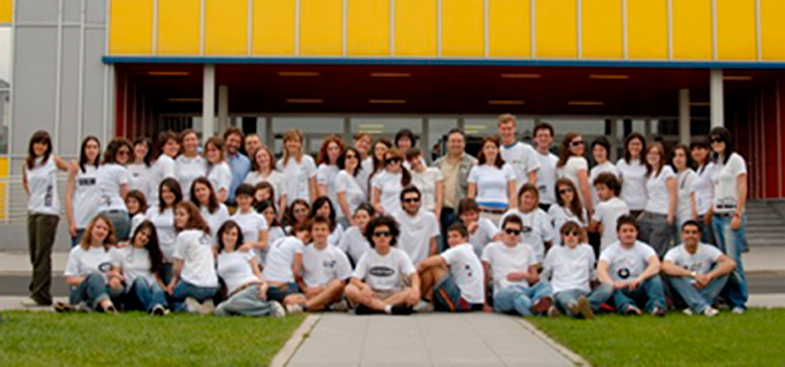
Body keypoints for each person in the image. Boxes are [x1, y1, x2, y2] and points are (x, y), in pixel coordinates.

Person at [24, 130, 71, 306]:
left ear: (48, 146)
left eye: (43, 144)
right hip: (33, 211)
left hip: (48, 212)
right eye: (37, 143)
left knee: (42, 254)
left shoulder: (52, 160)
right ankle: (36, 288)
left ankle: (41, 294)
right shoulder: (28, 164)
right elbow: (26, 184)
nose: (40, 147)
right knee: (34, 254)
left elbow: (71, 169)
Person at [708, 127, 749, 313]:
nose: (716, 143)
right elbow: (716, 191)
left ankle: (739, 301)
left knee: (734, 261)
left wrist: (738, 213)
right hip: (717, 214)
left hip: (731, 214)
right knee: (723, 261)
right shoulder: (716, 163)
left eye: (720, 140)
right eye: (713, 141)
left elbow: (742, 186)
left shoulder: (735, 160)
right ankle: (728, 297)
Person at [345, 215, 421, 315]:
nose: (382, 237)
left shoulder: (400, 255)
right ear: (371, 237)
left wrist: (416, 290)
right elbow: (354, 279)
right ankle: (389, 308)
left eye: (386, 234)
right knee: (349, 289)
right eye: (378, 234)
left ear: (392, 236)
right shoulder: (367, 255)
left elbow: (413, 275)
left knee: (410, 292)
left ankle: (373, 307)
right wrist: (364, 287)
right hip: (372, 293)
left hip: (394, 294)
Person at [482, 215, 553, 317]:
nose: (512, 235)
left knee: (545, 285)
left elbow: (535, 278)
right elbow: (484, 276)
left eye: (516, 232)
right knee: (515, 294)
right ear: (502, 231)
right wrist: (485, 303)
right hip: (503, 291)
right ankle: (539, 311)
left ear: (520, 234)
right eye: (509, 231)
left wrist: (524, 276)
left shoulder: (527, 249)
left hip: (524, 289)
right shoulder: (491, 248)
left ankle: (535, 306)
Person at [662, 221, 736, 317]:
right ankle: (703, 307)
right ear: (682, 235)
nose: (690, 235)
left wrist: (709, 276)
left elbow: (731, 263)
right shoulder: (675, 252)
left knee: (725, 271)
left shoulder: (708, 249)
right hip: (684, 291)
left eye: (694, 232)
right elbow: (665, 266)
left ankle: (695, 306)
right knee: (672, 275)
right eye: (687, 232)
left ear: (700, 235)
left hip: (705, 287)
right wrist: (694, 275)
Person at [214, 220, 286, 317]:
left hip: (250, 288)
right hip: (233, 294)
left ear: (237, 237)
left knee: (233, 303)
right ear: (221, 235)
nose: (230, 237)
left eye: (233, 234)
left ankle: (270, 308)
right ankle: (258, 309)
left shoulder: (244, 251)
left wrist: (264, 285)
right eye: (227, 233)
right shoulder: (219, 255)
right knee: (219, 310)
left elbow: (257, 272)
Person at [597, 216, 666, 316]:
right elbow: (601, 269)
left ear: (636, 233)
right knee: (613, 289)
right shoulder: (610, 250)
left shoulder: (644, 248)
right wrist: (611, 284)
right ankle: (628, 307)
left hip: (638, 286)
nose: (628, 234)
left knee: (655, 278)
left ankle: (657, 307)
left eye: (631, 231)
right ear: (618, 234)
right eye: (624, 231)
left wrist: (639, 279)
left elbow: (656, 264)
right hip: (620, 288)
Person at [542, 221, 612, 319]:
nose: (571, 236)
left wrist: (599, 281)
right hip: (562, 290)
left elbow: (592, 273)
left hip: (583, 291)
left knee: (608, 287)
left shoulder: (587, 250)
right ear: (562, 236)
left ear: (579, 236)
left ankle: (582, 308)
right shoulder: (555, 251)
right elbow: (545, 274)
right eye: (567, 234)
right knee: (568, 301)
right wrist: (547, 293)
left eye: (574, 234)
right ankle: (581, 310)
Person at [56, 215, 121, 313]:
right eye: (98, 227)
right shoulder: (77, 251)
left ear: (108, 233)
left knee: (119, 290)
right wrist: (92, 281)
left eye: (105, 229)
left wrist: (115, 279)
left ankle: (83, 307)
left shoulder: (112, 251)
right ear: (91, 229)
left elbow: (116, 271)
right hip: (81, 292)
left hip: (105, 288)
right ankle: (106, 304)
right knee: (95, 277)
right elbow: (70, 279)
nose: (101, 231)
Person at [416, 223, 485, 312]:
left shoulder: (458, 250)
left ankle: (417, 300)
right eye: (449, 237)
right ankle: (425, 300)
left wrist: (413, 273)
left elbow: (425, 264)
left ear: (465, 238)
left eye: (455, 236)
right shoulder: (467, 250)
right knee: (439, 267)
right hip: (473, 302)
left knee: (434, 267)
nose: (451, 240)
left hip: (464, 302)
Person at [167, 202, 219, 314]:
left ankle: (189, 306)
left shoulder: (183, 236)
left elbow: (177, 268)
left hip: (192, 284)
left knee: (171, 298)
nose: (177, 218)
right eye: (176, 214)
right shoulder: (206, 236)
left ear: (191, 217)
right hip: (212, 286)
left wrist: (172, 283)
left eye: (181, 215)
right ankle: (205, 303)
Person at [295, 216, 353, 313]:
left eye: (323, 229)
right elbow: (298, 277)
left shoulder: (337, 253)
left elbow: (344, 281)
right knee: (290, 299)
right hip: (310, 291)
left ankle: (306, 306)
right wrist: (305, 289)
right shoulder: (303, 252)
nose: (320, 233)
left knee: (337, 284)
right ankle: (321, 305)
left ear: (328, 232)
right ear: (311, 232)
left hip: (330, 291)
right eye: (316, 230)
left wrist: (322, 289)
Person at [112, 221, 168, 315]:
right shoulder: (121, 252)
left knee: (156, 287)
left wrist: (166, 289)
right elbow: (116, 271)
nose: (144, 238)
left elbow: (156, 277)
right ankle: (154, 307)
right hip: (133, 291)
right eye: (142, 233)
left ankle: (157, 308)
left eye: (148, 237)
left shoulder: (151, 254)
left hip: (150, 287)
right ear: (136, 232)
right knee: (140, 280)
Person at [433, 128, 477, 237]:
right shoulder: (437, 164)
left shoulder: (473, 164)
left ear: (464, 144)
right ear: (447, 143)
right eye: (453, 141)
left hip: (460, 213)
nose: (456, 144)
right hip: (441, 213)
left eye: (459, 141)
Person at [638, 142, 677, 258]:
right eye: (650, 153)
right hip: (648, 214)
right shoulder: (649, 173)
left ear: (661, 156)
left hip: (662, 215)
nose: (652, 156)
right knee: (645, 248)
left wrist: (670, 217)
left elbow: (673, 195)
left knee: (656, 249)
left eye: (656, 153)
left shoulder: (667, 171)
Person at [499, 184, 556, 263]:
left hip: (536, 261)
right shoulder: (509, 215)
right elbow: (501, 238)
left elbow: (548, 241)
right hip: (513, 260)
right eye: (526, 197)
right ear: (520, 197)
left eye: (532, 198)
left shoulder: (542, 215)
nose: (529, 200)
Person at [467, 136, 517, 224]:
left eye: (493, 147)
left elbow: (512, 193)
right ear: (483, 150)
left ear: (498, 150)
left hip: (502, 213)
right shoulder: (476, 169)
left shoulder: (507, 168)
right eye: (487, 147)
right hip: (482, 213)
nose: (490, 150)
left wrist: (511, 212)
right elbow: (471, 195)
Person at [262, 222, 309, 311]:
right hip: (283, 287)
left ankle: (278, 303)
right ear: (297, 231)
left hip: (266, 287)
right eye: (305, 236)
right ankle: (286, 303)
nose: (306, 241)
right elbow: (296, 272)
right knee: (305, 293)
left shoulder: (278, 241)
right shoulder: (298, 243)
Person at [145, 178, 183, 284]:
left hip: (172, 259)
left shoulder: (181, 211)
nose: (167, 194)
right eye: (164, 191)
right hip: (154, 257)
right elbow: (144, 229)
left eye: (170, 191)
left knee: (171, 288)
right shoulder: (152, 210)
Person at [66, 136, 101, 247]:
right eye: (88, 147)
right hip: (80, 222)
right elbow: (68, 196)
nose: (91, 150)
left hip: (98, 224)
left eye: (95, 147)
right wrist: (71, 222)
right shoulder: (76, 169)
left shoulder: (103, 169)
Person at [95, 138, 133, 241]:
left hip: (101, 212)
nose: (125, 156)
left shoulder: (100, 168)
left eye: (127, 153)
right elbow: (125, 194)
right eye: (121, 153)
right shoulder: (120, 170)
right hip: (118, 211)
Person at [393, 186, 440, 264]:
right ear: (402, 203)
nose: (412, 203)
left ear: (420, 201)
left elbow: (433, 244)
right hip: (401, 265)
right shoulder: (394, 219)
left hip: (422, 265)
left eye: (416, 200)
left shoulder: (430, 218)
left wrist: (426, 264)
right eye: (408, 200)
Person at [497, 114, 540, 190]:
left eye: (509, 129)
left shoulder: (526, 150)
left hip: (520, 198)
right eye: (503, 129)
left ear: (514, 129)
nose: (506, 132)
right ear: (499, 130)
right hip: (501, 198)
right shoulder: (496, 152)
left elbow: (532, 177)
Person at [591, 173, 630, 252]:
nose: (599, 193)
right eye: (597, 189)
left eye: (602, 189)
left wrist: (598, 228)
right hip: (623, 244)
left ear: (612, 189)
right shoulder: (624, 205)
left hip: (607, 245)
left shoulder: (602, 206)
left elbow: (591, 227)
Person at [279, 129, 318, 204]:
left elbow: (313, 186)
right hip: (287, 205)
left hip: (304, 204)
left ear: (300, 144)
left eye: (296, 141)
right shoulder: (280, 164)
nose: (292, 144)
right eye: (290, 141)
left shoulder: (308, 161)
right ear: (285, 144)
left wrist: (313, 206)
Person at [557, 133, 592, 213]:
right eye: (575, 144)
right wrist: (590, 209)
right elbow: (584, 188)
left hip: (564, 206)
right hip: (579, 206)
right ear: (568, 147)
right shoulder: (580, 161)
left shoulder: (561, 164)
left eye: (582, 142)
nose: (580, 145)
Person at [231, 184, 270, 257]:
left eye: (246, 198)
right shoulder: (232, 219)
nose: (243, 201)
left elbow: (264, 243)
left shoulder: (259, 218)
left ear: (252, 199)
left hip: (253, 258)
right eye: (240, 198)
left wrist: (251, 244)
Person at [244, 145, 287, 212]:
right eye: (259, 157)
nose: (262, 159)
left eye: (264, 155)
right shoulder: (250, 176)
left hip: (273, 213)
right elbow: (246, 195)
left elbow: (283, 199)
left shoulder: (280, 177)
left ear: (270, 157)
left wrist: (279, 218)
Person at [406, 147, 444, 221]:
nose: (415, 161)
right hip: (417, 213)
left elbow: (439, 196)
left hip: (432, 211)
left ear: (421, 156)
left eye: (416, 158)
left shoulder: (435, 172)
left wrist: (437, 216)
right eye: (411, 160)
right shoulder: (409, 176)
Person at [690, 140, 716, 244]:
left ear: (707, 150)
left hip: (709, 212)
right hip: (700, 213)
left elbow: (716, 190)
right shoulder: (698, 169)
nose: (696, 152)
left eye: (700, 149)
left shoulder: (711, 168)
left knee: (711, 246)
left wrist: (710, 211)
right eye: (694, 150)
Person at [371, 148, 411, 215]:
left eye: (395, 160)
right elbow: (375, 202)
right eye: (388, 161)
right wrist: (382, 211)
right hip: (386, 215)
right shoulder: (379, 177)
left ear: (400, 161)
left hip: (405, 215)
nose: (392, 163)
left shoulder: (409, 176)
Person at [548, 178, 589, 244]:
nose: (567, 194)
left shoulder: (582, 210)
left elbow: (584, 234)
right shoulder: (554, 209)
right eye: (562, 192)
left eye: (569, 190)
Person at [617, 133, 647, 217]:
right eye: (632, 144)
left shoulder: (647, 164)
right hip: (625, 205)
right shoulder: (621, 163)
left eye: (638, 144)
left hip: (643, 206)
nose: (635, 147)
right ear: (627, 146)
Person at [316, 135, 346, 219]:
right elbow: (322, 190)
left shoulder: (344, 168)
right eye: (330, 149)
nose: (333, 151)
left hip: (344, 208)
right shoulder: (323, 168)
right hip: (331, 208)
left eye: (336, 148)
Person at [335, 147, 366, 227]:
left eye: (355, 156)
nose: (352, 159)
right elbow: (341, 199)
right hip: (346, 219)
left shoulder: (354, 179)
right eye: (349, 157)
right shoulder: (342, 175)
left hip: (356, 218)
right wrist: (350, 219)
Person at [533, 122, 559, 211]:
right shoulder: (530, 158)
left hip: (553, 204)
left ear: (551, 138)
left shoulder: (556, 161)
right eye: (540, 136)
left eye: (546, 136)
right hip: (535, 203)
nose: (543, 138)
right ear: (535, 139)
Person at [174, 129, 207, 199]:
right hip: (183, 201)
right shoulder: (177, 162)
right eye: (187, 140)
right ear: (182, 143)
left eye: (193, 139)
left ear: (198, 142)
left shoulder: (204, 162)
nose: (190, 142)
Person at [148, 131, 179, 203]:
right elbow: (170, 184)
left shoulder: (159, 161)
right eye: (170, 144)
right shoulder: (167, 161)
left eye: (176, 143)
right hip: (161, 202)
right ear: (162, 147)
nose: (174, 146)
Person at [224, 127, 252, 205]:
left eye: (237, 142)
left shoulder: (246, 162)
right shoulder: (217, 158)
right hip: (218, 204)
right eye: (231, 140)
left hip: (237, 204)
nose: (234, 144)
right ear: (225, 140)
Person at [671, 144, 696, 229]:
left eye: (681, 155)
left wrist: (693, 220)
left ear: (687, 158)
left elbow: (694, 199)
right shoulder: (674, 176)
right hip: (676, 218)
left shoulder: (691, 176)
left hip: (687, 218)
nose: (678, 159)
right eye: (675, 156)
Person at [256, 200, 287, 266]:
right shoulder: (254, 231)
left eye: (271, 213)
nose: (269, 216)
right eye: (266, 213)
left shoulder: (278, 231)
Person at [204, 137, 232, 203]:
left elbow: (222, 195)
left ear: (221, 151)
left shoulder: (223, 168)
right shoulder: (212, 167)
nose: (210, 153)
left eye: (213, 150)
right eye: (208, 150)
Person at [353, 132, 374, 198]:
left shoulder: (373, 162)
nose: (364, 144)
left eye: (367, 143)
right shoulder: (348, 160)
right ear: (355, 143)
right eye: (361, 141)